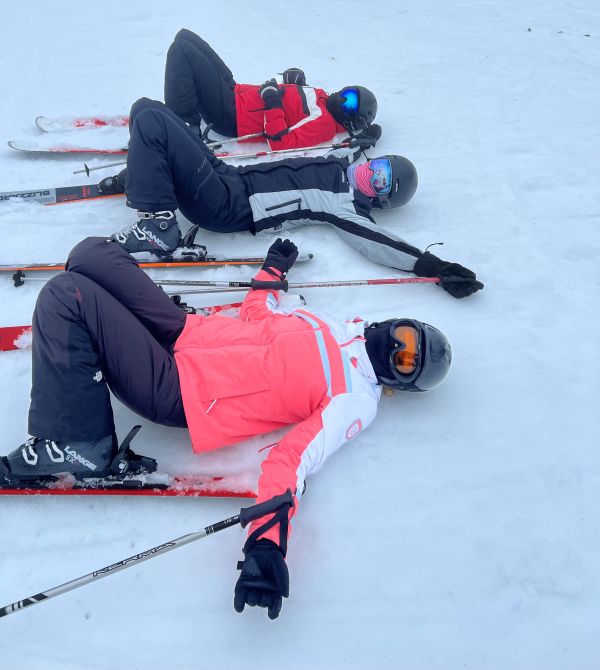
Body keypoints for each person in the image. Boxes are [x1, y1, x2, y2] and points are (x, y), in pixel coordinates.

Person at [0, 236, 453, 620]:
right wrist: (272, 272)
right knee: (90, 254)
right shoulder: (331, 324)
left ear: (399, 382)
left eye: (405, 361)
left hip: (179, 389)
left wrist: (266, 545)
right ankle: (112, 323)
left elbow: (293, 459)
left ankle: (79, 444)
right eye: (406, 338)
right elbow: (258, 316)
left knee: (68, 295)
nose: (396, 348)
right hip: (185, 332)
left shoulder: (355, 398)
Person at [100, 98, 484, 300]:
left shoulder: (345, 205)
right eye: (379, 164)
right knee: (147, 108)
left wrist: (432, 266)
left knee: (150, 122)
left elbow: (380, 243)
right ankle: (146, 173)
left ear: (381, 199)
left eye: (381, 180)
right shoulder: (340, 163)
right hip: (226, 175)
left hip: (227, 205)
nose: (372, 172)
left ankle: (159, 227)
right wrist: (367, 140)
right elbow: (352, 149)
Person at [163, 28, 378, 149]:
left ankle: (185, 126)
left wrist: (272, 101)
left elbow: (280, 143)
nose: (342, 99)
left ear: (352, 120)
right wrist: (295, 83)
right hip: (236, 93)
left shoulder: (324, 124)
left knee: (181, 50)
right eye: (349, 93)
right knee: (185, 37)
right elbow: (297, 107)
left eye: (350, 104)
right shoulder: (322, 99)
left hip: (232, 116)